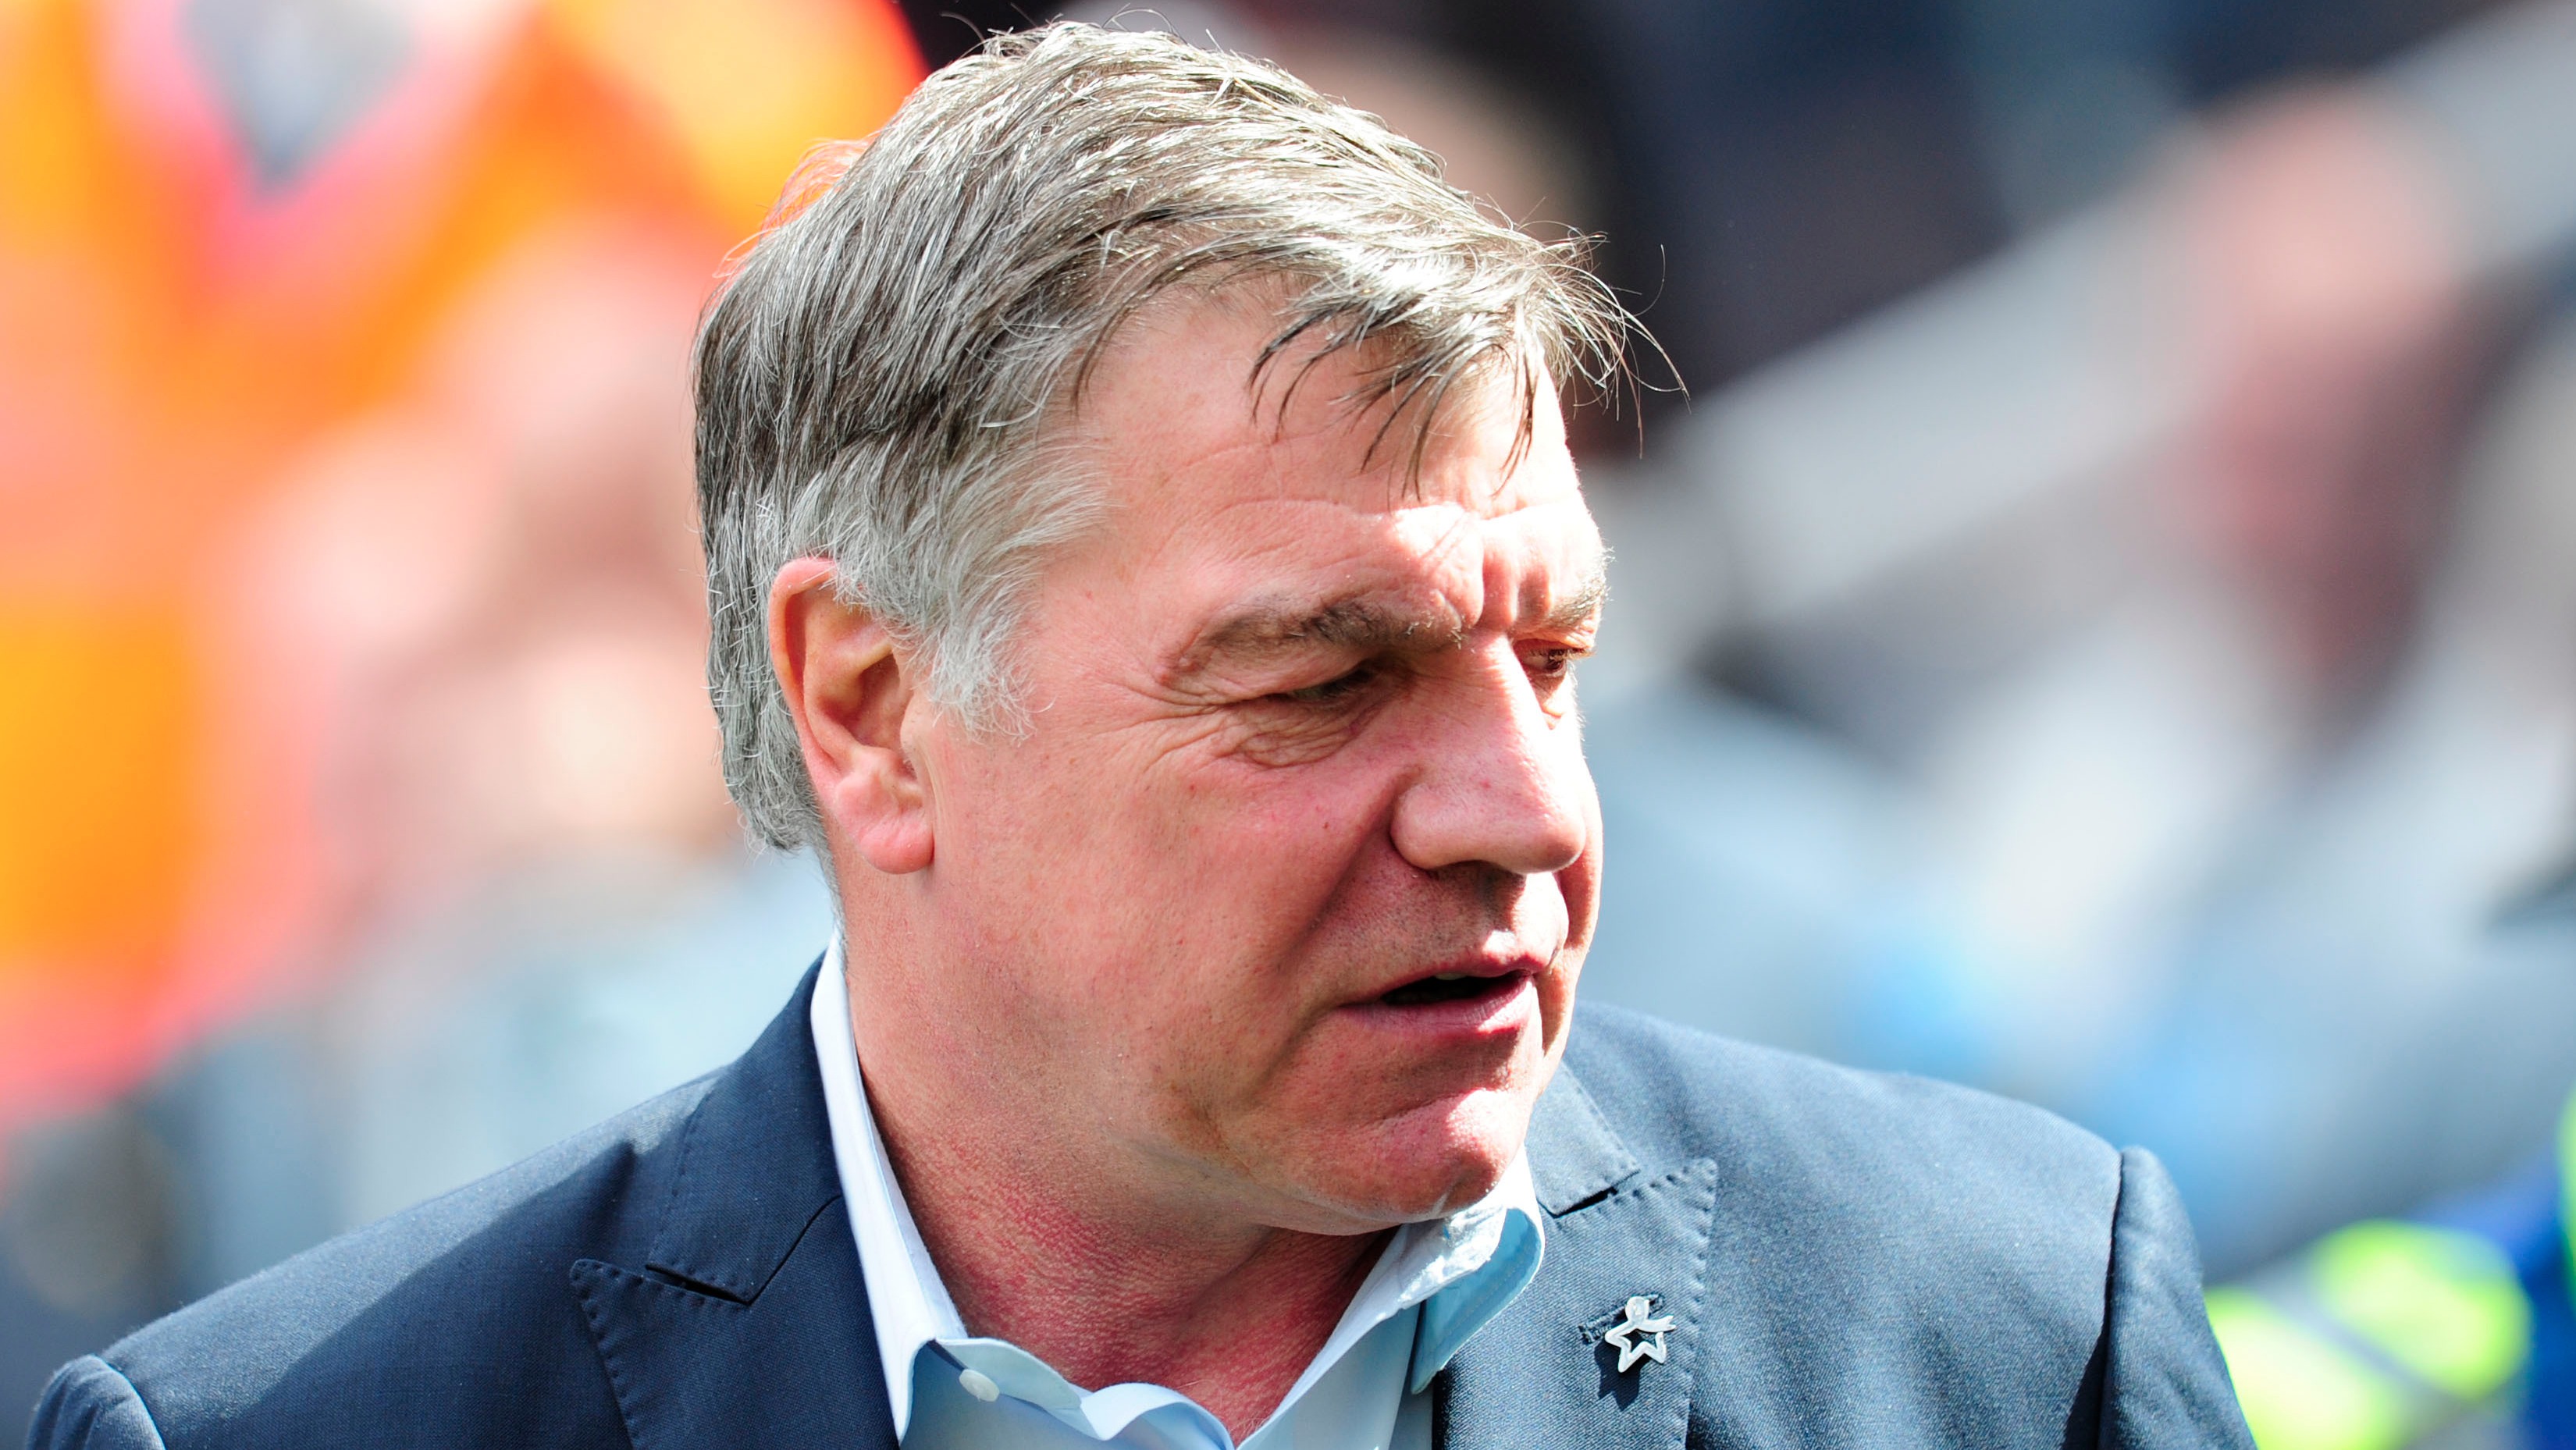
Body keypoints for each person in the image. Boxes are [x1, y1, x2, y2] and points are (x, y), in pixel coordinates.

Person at [24, 25, 2252, 1450]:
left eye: (1552, 659)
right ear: (871, 711)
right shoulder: (295, 1429)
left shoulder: (1998, 1332)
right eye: (1322, 680)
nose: (1524, 810)